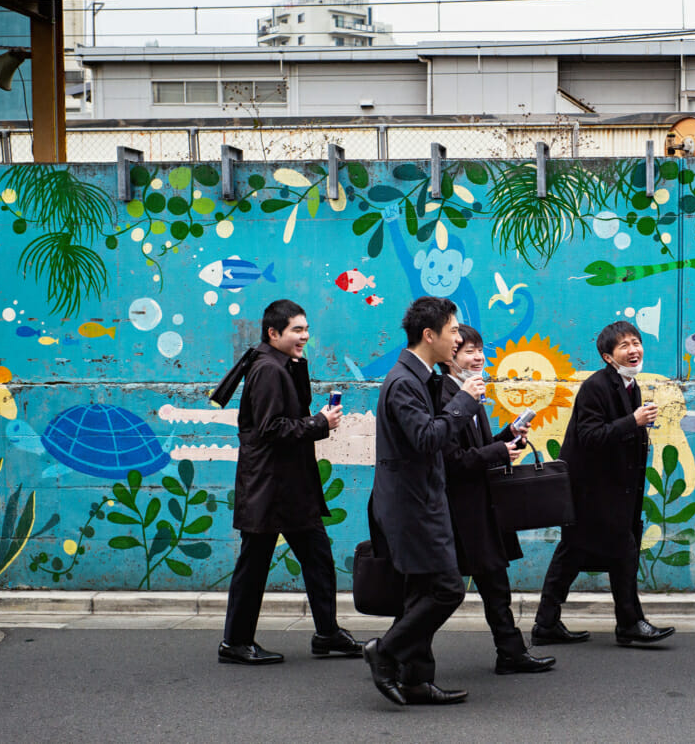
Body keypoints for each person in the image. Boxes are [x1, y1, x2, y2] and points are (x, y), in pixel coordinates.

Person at [217, 299, 362, 665]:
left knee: (317, 558)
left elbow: (287, 415)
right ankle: (235, 642)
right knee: (253, 566)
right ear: (273, 333)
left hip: (289, 487)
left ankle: (327, 633)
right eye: (297, 330)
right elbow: (271, 428)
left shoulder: (280, 365)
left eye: (306, 329)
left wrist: (314, 412)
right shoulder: (268, 370)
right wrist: (319, 424)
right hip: (270, 487)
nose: (305, 336)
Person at [363, 296, 483, 706]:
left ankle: (416, 680)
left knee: (421, 592)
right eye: (453, 332)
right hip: (412, 506)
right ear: (429, 335)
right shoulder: (402, 383)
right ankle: (385, 651)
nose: (459, 339)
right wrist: (465, 402)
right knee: (448, 589)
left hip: (421, 500)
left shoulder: (420, 377)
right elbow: (428, 437)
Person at [532, 321, 675, 647]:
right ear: (607, 357)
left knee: (594, 553)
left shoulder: (629, 385)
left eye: (636, 342)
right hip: (591, 492)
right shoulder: (597, 387)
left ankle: (548, 623)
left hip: (611, 492)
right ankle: (629, 624)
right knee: (601, 551)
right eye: (624, 345)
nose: (633, 349)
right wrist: (633, 422)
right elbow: (590, 436)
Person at [438, 325, 556, 675]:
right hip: (459, 508)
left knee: (494, 581)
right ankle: (397, 650)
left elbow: (476, 446)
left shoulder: (471, 392)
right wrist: (498, 451)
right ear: (450, 357)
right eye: (468, 351)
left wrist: (508, 436)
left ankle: (511, 651)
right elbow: (451, 458)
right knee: (436, 591)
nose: (478, 358)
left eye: (480, 351)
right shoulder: (446, 395)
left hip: (480, 504)